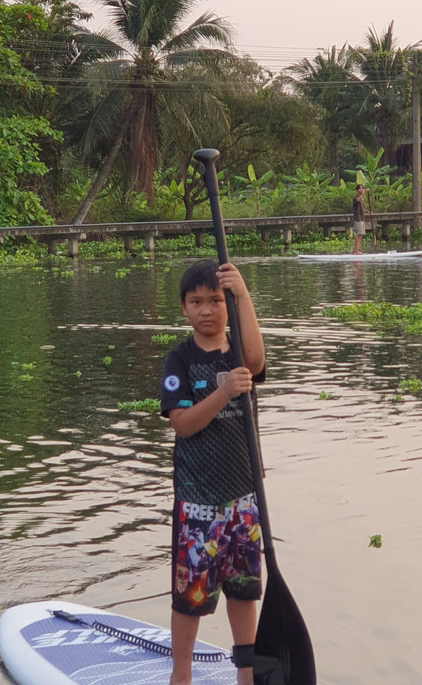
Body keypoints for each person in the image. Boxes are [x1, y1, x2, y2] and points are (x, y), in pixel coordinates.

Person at [160, 259, 267, 685]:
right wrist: (224, 392)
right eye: (196, 302)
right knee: (191, 598)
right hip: (197, 503)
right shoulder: (179, 361)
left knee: (243, 592)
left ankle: (247, 675)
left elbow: (257, 362)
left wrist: (243, 293)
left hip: (243, 498)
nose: (207, 309)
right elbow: (182, 424)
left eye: (216, 300)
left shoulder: (239, 350)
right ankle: (180, 676)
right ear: (184, 309)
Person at [352, 182, 366, 254]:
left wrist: (368, 211)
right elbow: (357, 200)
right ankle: (356, 250)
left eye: (362, 188)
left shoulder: (361, 199)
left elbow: (362, 208)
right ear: (357, 190)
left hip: (362, 218)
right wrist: (363, 194)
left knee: (361, 234)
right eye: (360, 188)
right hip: (358, 218)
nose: (362, 189)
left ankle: (358, 249)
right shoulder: (355, 198)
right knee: (358, 234)